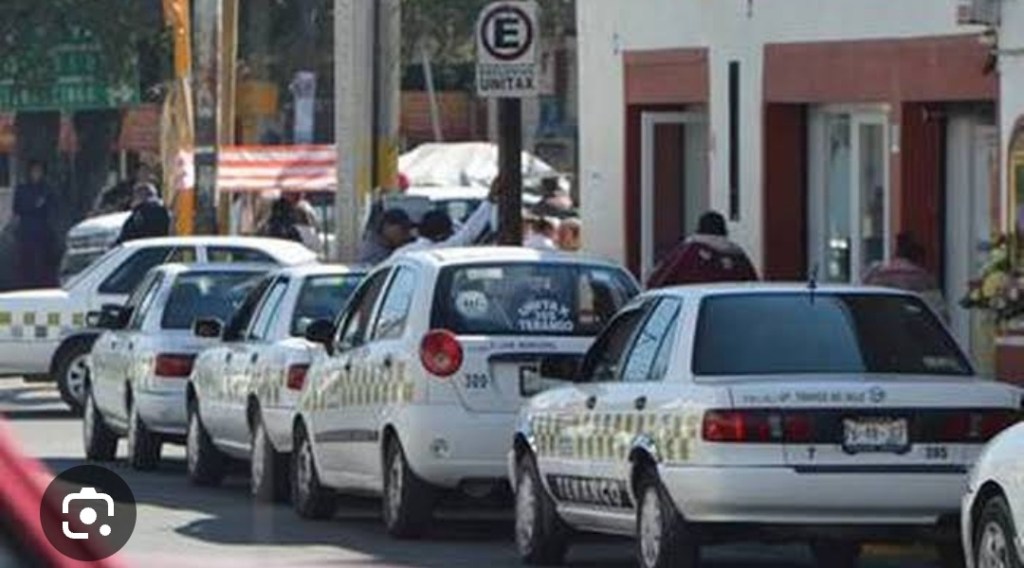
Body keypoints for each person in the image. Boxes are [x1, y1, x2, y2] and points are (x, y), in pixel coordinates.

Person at [646, 211, 758, 288]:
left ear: (699, 229)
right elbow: (754, 289)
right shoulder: (738, 256)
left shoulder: (687, 252)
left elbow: (657, 281)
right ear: (724, 231)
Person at [388, 185, 498, 259]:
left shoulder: (403, 255)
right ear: (444, 234)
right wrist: (489, 199)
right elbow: (470, 230)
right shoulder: (450, 248)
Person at [863, 232, 947, 319]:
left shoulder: (877, 276)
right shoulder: (924, 279)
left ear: (895, 253)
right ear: (918, 258)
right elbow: (940, 314)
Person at [13, 160, 57, 288]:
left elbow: (52, 207)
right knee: (26, 260)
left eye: (39, 171)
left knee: (42, 260)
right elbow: (17, 208)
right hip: (26, 229)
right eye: (34, 171)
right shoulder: (22, 189)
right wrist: (34, 206)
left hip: (43, 230)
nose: (36, 174)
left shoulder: (46, 189)